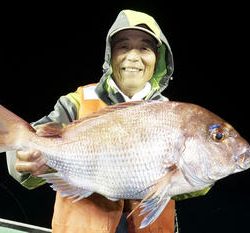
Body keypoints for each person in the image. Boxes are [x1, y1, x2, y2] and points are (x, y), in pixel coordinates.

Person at [6, 9, 210, 233]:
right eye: (123, 46)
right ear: (110, 55)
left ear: (158, 58)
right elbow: (22, 156)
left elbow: (186, 181)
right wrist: (26, 162)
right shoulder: (76, 103)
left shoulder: (173, 114)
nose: (133, 56)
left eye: (144, 47)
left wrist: (206, 171)